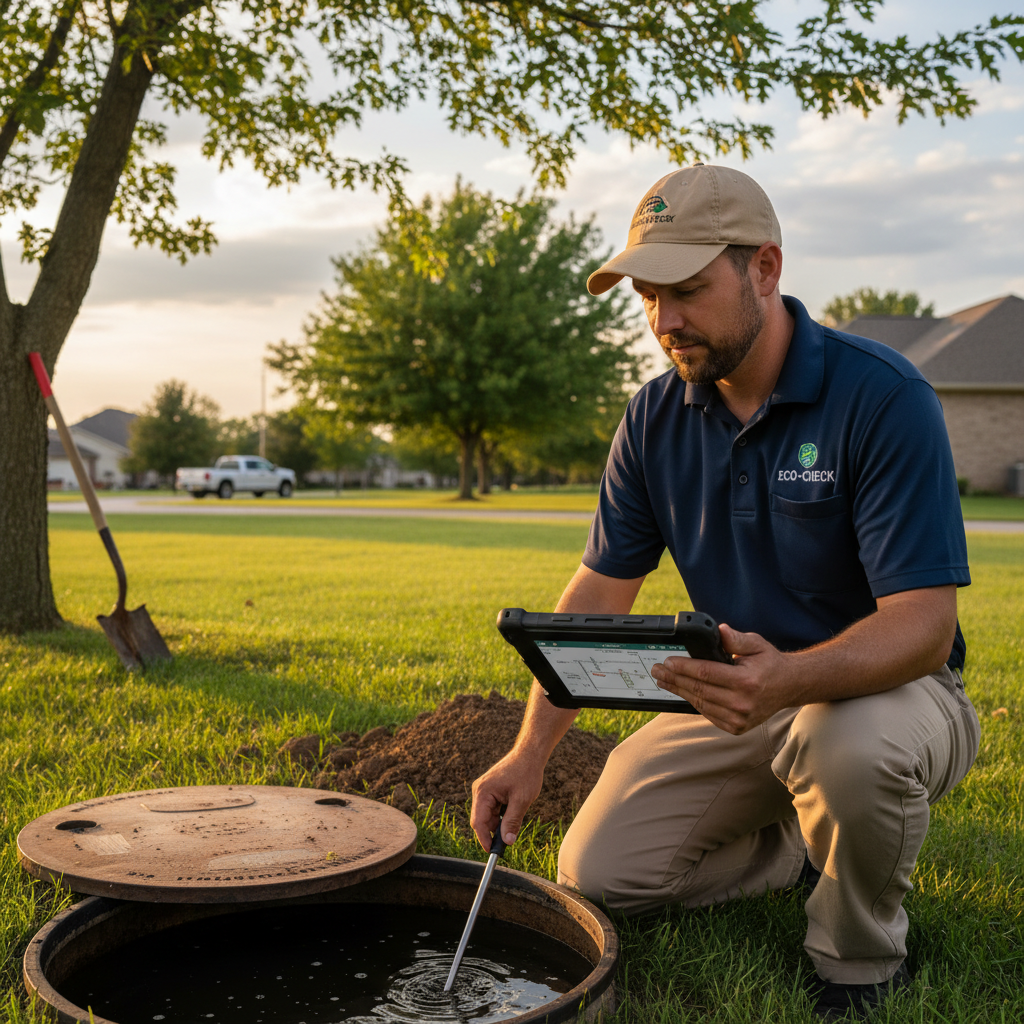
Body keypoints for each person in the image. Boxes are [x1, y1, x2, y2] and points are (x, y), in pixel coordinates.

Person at [469, 163, 980, 1020]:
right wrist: (529, 753)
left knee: (846, 749)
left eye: (689, 289)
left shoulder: (882, 397)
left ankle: (856, 961)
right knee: (599, 875)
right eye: (645, 295)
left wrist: (787, 679)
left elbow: (925, 628)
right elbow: (597, 596)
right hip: (735, 696)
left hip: (893, 694)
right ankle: (801, 843)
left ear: (766, 270)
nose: (664, 320)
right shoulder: (654, 417)